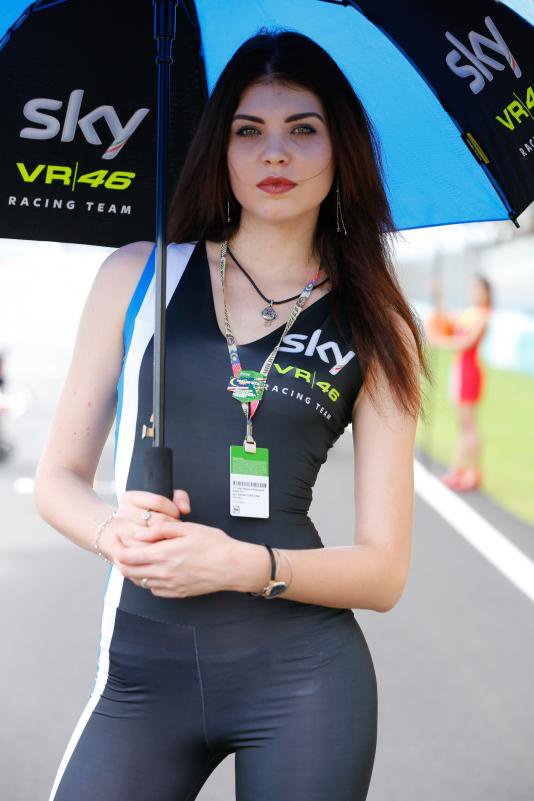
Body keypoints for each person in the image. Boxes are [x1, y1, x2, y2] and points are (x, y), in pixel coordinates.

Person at [35, 28, 425, 801]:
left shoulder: (376, 327)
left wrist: (245, 565)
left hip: (304, 677)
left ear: (341, 151)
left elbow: (384, 572)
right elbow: (57, 479)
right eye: (249, 131)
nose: (274, 153)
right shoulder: (138, 276)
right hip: (140, 675)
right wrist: (114, 532)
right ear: (221, 149)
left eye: (302, 130)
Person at [426, 274, 492, 491]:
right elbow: (446, 317)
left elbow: (465, 343)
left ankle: (469, 472)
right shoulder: (470, 313)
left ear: (486, 293)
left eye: (478, 288)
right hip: (461, 369)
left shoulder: (482, 316)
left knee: (468, 424)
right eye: (472, 288)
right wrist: (438, 294)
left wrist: (438, 341)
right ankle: (463, 470)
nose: (474, 292)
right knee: (464, 424)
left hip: (469, 370)